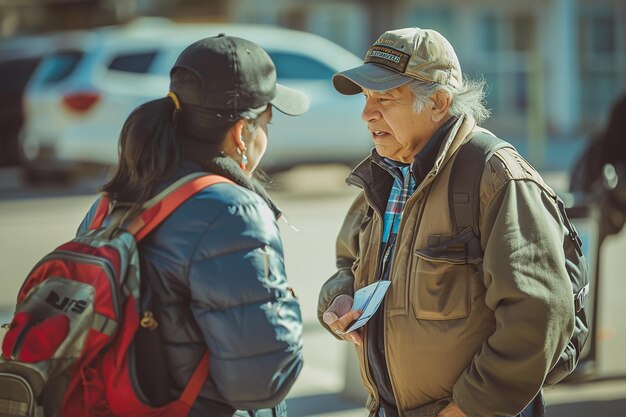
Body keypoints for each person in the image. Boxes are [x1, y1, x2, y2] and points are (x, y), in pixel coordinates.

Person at [317, 27, 575, 417]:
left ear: (437, 102)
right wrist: (338, 300)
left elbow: (538, 316)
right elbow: (346, 265)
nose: (367, 113)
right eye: (367, 98)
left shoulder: (495, 177)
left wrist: (468, 408)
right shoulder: (385, 174)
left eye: (384, 98)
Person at [78, 34, 309, 416]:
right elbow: (260, 383)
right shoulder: (233, 212)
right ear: (241, 132)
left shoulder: (114, 200)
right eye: (267, 122)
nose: (266, 136)